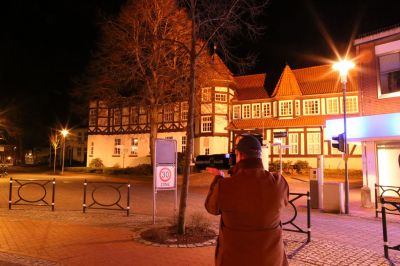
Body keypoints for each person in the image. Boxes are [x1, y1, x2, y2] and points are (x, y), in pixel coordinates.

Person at [205, 135, 289, 266]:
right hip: (271, 258)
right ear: (259, 156)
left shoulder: (225, 185)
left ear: (239, 155)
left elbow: (212, 208)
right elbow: (284, 201)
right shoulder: (278, 182)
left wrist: (218, 179)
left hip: (235, 258)